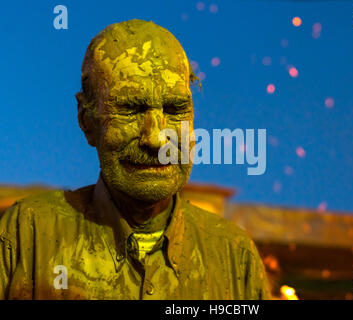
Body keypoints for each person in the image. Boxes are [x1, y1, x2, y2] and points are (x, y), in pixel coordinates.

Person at [0, 19, 271, 299]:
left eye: (175, 109)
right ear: (86, 120)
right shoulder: (28, 235)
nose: (155, 138)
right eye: (130, 109)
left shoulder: (234, 256)